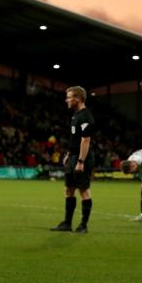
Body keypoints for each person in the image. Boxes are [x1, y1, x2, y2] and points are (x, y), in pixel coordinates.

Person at [51, 86, 95, 234]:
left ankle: (83, 225)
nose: (67, 100)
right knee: (69, 189)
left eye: (69, 97)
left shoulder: (86, 117)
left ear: (78, 99)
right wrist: (69, 154)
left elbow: (85, 141)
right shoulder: (75, 116)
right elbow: (74, 139)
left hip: (82, 158)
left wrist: (81, 161)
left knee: (83, 190)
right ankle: (67, 223)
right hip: (73, 157)